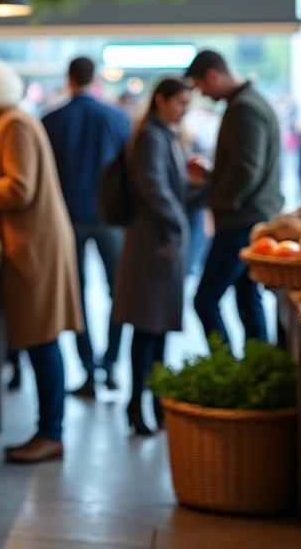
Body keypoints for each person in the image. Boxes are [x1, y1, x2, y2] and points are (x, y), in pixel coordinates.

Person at [0, 56, 82, 464]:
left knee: (42, 341)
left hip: (34, 246)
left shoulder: (16, 126)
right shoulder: (10, 124)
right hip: (30, 243)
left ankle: (51, 433)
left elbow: (19, 189)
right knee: (41, 339)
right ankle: (49, 430)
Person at [41, 57, 132, 397]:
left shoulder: (51, 120)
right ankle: (110, 364)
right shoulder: (117, 117)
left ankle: (88, 370)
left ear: (69, 79)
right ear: (94, 79)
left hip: (68, 220)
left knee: (75, 296)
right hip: (111, 220)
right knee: (118, 293)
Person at [112, 78, 194, 436]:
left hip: (159, 239)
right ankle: (136, 405)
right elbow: (154, 188)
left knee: (156, 328)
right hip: (153, 242)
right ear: (160, 100)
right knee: (146, 328)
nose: (185, 109)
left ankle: (155, 402)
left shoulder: (163, 134)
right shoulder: (151, 136)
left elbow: (166, 186)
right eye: (180, 102)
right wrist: (177, 223)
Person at [184, 50, 282, 348]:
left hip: (242, 221)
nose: (202, 93)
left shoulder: (244, 108)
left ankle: (228, 371)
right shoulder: (247, 102)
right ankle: (254, 373)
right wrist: (214, 174)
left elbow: (245, 171)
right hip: (252, 217)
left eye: (201, 86)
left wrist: (218, 200)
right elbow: (245, 167)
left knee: (206, 301)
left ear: (213, 75)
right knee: (248, 299)